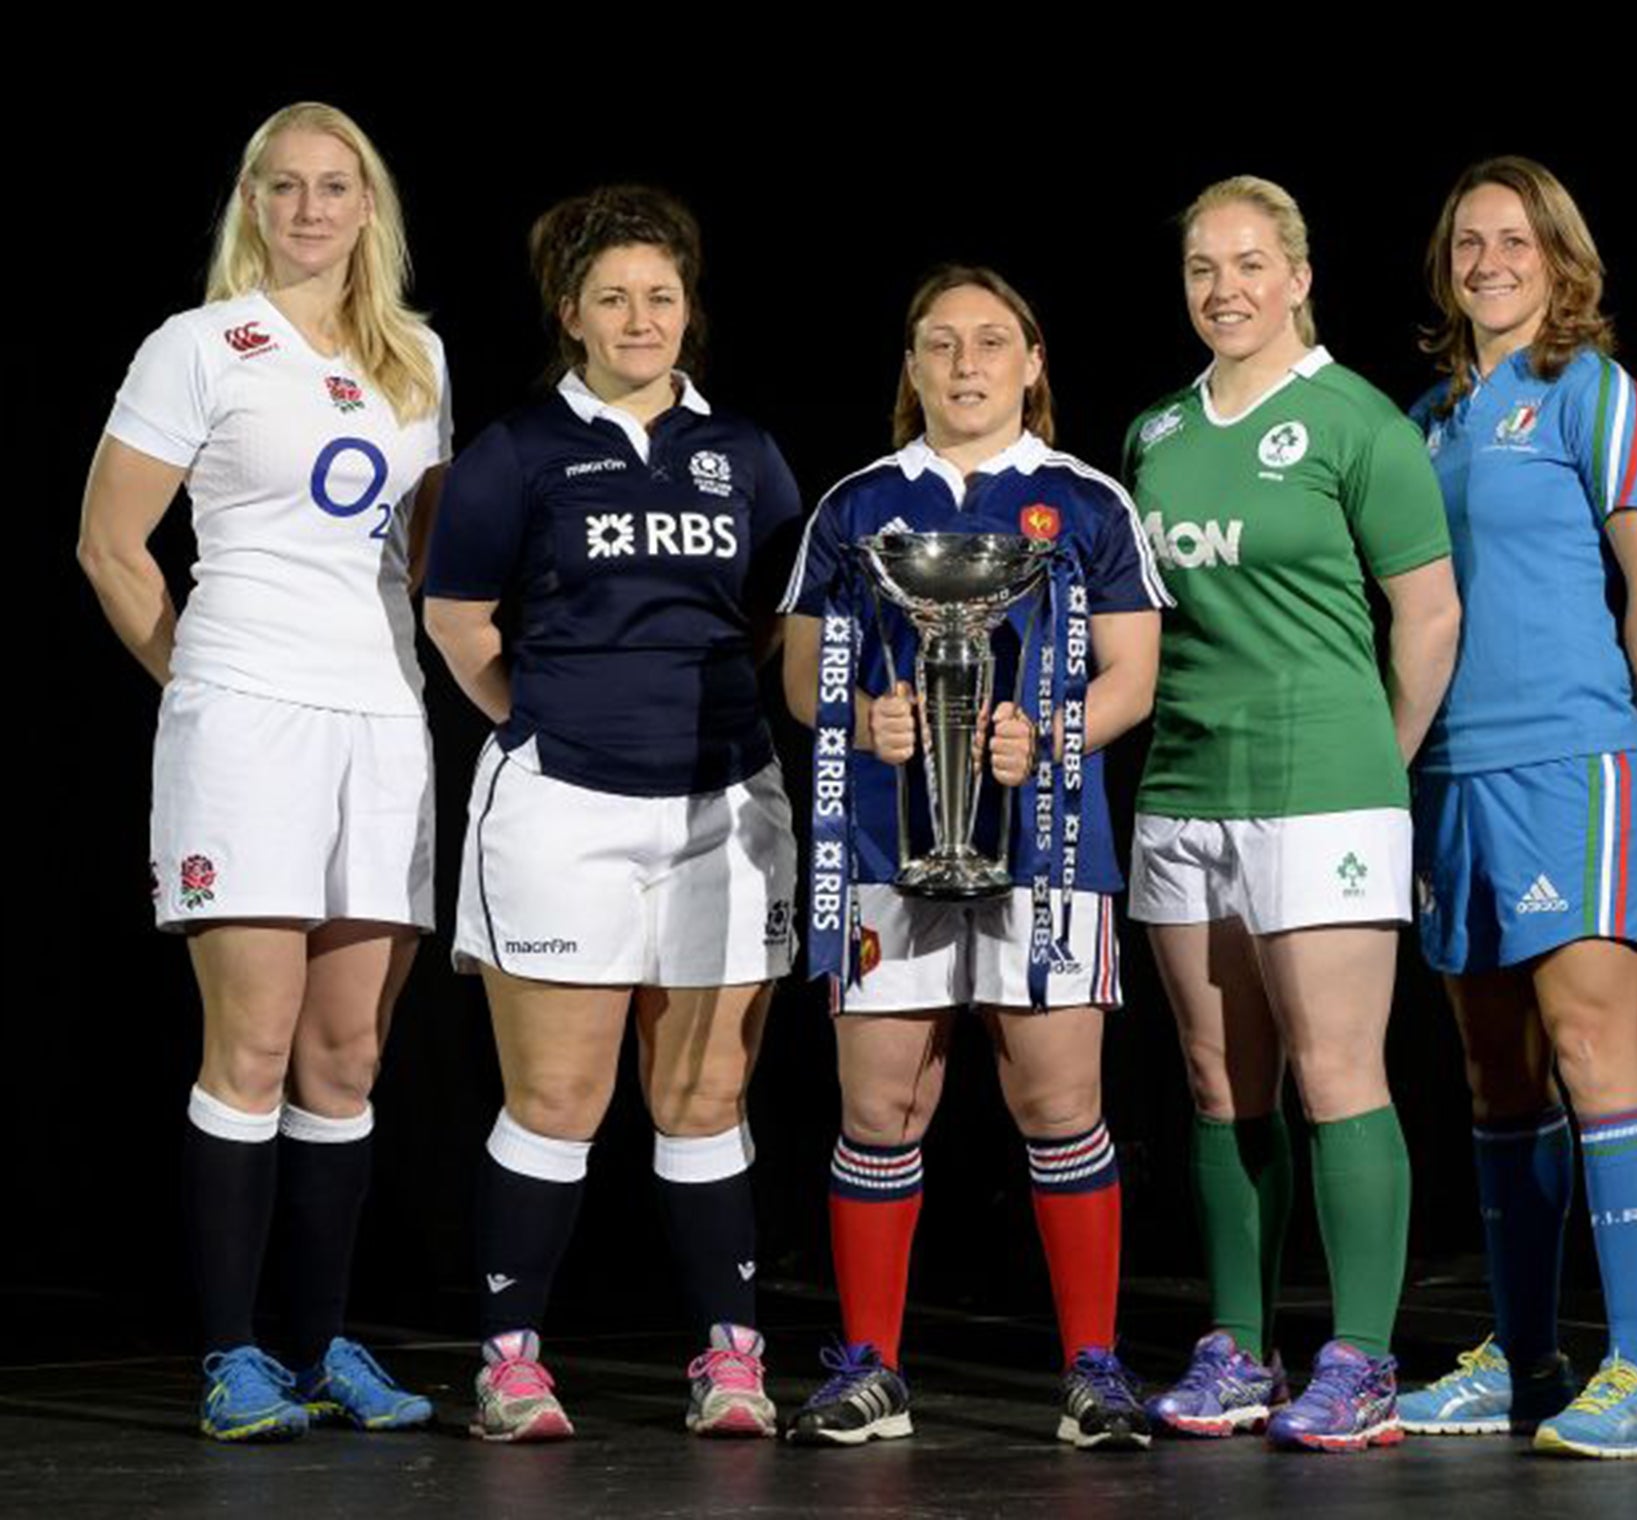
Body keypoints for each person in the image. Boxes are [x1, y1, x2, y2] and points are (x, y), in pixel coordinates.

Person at [77, 102, 447, 1441]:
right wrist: (204, 685)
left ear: (368, 206)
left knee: (346, 1058)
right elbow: (112, 545)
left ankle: (319, 1344)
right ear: (249, 204)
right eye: (282, 187)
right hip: (248, 717)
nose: (307, 209)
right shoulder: (197, 347)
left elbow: (428, 562)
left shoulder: (419, 358)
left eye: (333, 186)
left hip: (382, 725)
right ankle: (232, 1356)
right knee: (251, 1040)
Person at [423, 185, 803, 1443]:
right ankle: (511, 1361)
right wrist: (542, 723)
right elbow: (459, 619)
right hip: (561, 809)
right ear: (568, 314)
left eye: (661, 295)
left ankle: (728, 1359)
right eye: (612, 298)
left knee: (703, 1096)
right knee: (560, 1097)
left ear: (689, 311)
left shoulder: (745, 452)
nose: (640, 318)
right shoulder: (519, 451)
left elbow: (769, 623)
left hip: (721, 804)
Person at [779, 264, 1168, 1451]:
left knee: (1057, 1101)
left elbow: (1131, 675)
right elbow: (802, 675)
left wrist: (1047, 734)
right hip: (882, 851)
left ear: (1032, 362)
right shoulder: (856, 506)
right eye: (938, 344)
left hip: (1046, 846)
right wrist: (860, 718)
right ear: (909, 368)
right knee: (880, 1103)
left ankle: (1092, 1368)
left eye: (989, 342)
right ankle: (871, 1368)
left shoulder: (1086, 501)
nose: (963, 364)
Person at [1126, 176, 1461, 1452]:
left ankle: (1362, 1357)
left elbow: (1425, 615)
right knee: (1219, 1084)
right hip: (1182, 785)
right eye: (1204, 267)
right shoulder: (1153, 435)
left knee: (1335, 1074)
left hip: (1321, 784)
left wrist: (1377, 757)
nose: (1226, 289)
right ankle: (1236, 1348)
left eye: (1251, 263)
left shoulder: (1352, 422)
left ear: (1299, 276)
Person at [1389, 157, 1637, 1459]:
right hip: (1447, 778)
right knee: (1496, 1073)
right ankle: (1526, 1355)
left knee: (1591, 1050)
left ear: (1564, 261)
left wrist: (1619, 754)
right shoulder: (1424, 420)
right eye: (1469, 241)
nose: (1491, 261)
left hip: (1572, 768)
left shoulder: (1598, 395)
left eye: (1517, 240)